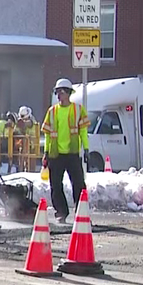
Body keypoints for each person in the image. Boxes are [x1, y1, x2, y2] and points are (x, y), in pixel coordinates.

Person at [40, 79, 89, 223]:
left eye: (61, 92)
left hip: (72, 154)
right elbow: (48, 135)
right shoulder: (52, 111)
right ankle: (61, 212)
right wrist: (46, 153)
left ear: (68, 93)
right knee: (55, 185)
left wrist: (86, 149)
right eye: (57, 92)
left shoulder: (78, 109)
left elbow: (83, 132)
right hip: (56, 154)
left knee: (79, 184)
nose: (58, 95)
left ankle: (81, 213)